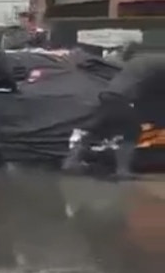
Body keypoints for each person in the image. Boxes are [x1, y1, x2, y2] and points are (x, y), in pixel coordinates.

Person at [63, 46, 165, 179]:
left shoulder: (143, 61)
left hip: (109, 95)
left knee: (98, 129)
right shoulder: (157, 63)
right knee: (132, 130)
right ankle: (122, 171)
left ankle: (70, 162)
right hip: (122, 98)